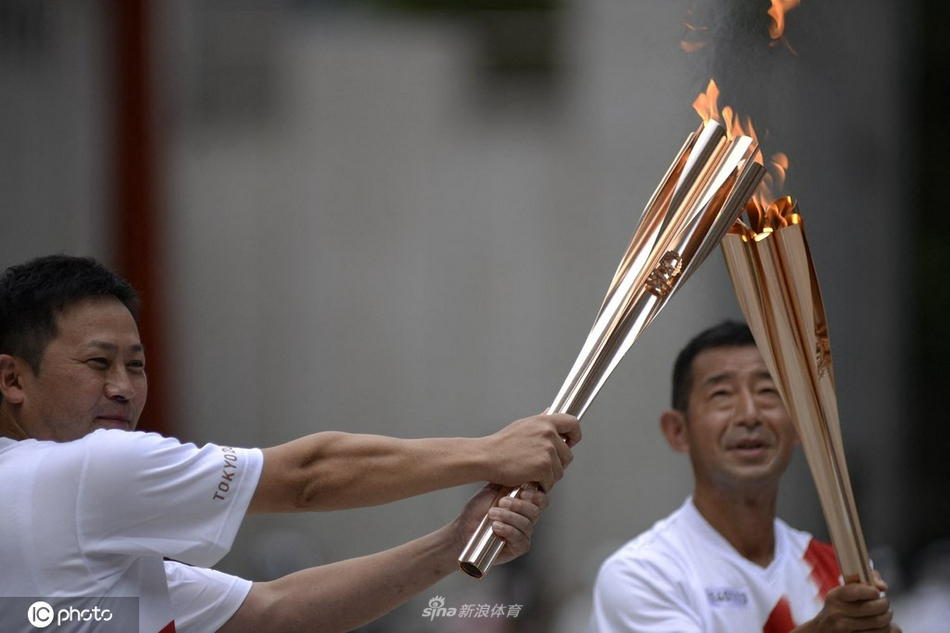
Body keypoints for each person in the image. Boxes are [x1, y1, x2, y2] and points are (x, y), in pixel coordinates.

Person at [0, 254, 582, 633]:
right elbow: (306, 478)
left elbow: (276, 613)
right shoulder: (84, 472)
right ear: (12, 379)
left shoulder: (82, 536)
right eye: (98, 363)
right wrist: (491, 452)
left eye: (136, 365)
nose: (123, 388)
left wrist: (453, 544)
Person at [590, 320, 899, 633]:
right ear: (678, 431)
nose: (750, 414)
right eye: (722, 394)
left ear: (800, 424)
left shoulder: (841, 571)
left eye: (768, 391)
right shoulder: (643, 572)